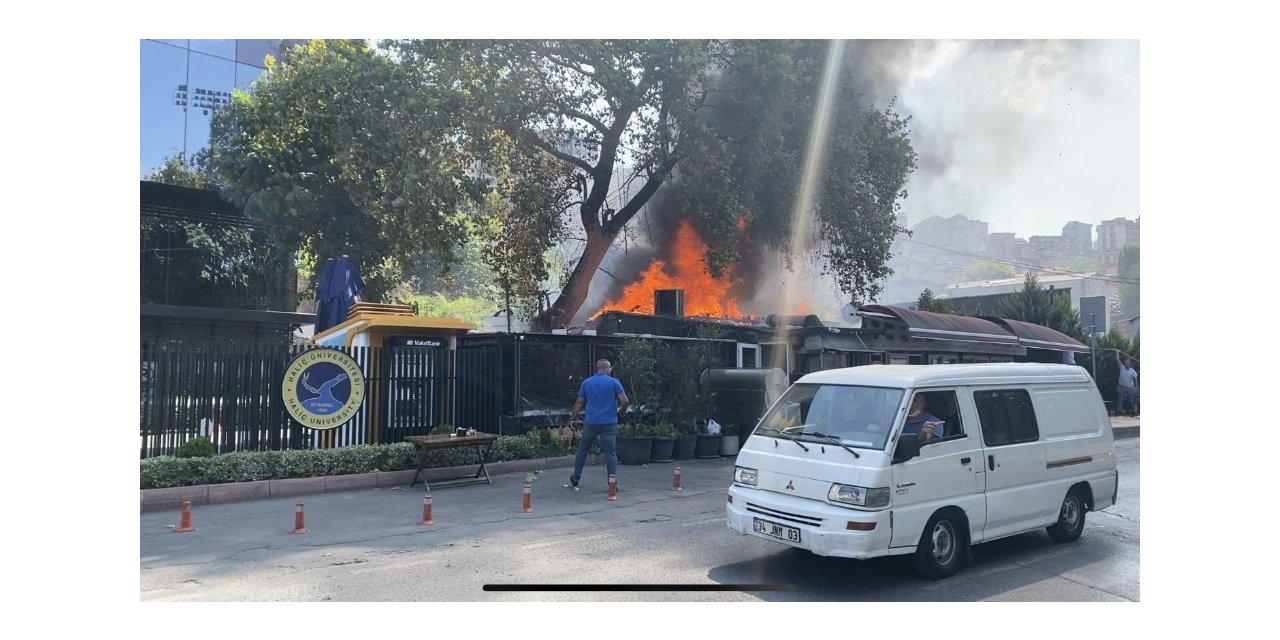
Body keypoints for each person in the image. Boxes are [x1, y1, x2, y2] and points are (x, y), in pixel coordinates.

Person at [567, 359, 629, 490]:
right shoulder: (614, 382)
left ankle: (576, 477)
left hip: (591, 422)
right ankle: (612, 483)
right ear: (606, 368)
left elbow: (579, 402)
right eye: (610, 368)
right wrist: (622, 411)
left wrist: (573, 416)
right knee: (610, 453)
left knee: (583, 450)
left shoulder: (587, 382)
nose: (611, 370)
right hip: (609, 423)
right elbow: (624, 401)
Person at [1116, 352, 1138, 417]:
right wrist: (1117, 352)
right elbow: (1117, 359)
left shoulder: (1132, 371)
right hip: (1122, 387)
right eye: (1126, 363)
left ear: (1130, 364)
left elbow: (1135, 379)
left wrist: (1136, 387)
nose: (1127, 364)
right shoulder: (1122, 367)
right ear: (1124, 364)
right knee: (1120, 399)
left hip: (1130, 387)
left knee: (1133, 399)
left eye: (1128, 363)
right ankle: (1119, 411)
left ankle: (1135, 411)